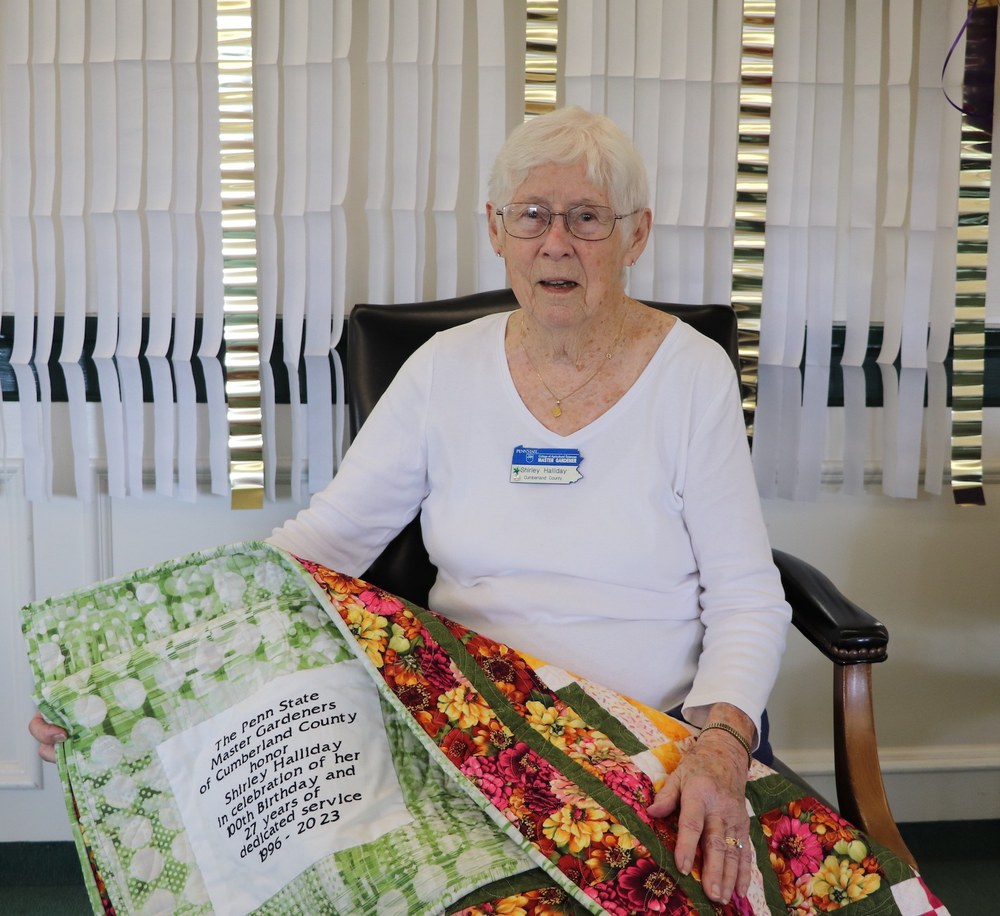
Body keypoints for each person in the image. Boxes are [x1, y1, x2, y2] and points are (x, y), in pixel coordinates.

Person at [31, 106, 791, 907]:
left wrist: (719, 747)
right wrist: (128, 678)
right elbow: (322, 544)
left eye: (588, 218)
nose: (556, 242)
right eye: (530, 215)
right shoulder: (443, 369)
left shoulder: (690, 375)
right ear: (495, 229)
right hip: (473, 730)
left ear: (636, 235)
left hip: (654, 733)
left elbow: (746, 596)